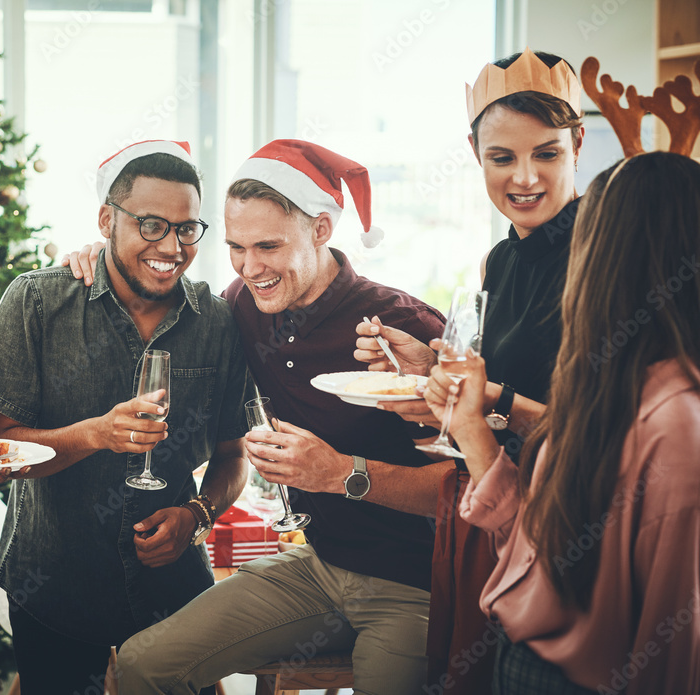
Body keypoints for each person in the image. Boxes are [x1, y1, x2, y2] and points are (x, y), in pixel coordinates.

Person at [73, 140, 447, 693]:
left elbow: (470, 489)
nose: (251, 267)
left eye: (268, 246)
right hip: (316, 568)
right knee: (140, 665)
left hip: (415, 584)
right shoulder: (245, 306)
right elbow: (157, 288)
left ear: (321, 230)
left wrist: (340, 473)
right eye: (236, 248)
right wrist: (91, 258)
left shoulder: (402, 325)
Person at [0, 140, 250, 694]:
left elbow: (234, 454)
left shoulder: (217, 323)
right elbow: (1, 452)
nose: (171, 245)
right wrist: (94, 434)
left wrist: (196, 514)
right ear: (106, 220)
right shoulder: (36, 304)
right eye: (151, 225)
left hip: (175, 592)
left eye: (186, 229)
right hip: (54, 588)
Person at [425, 151, 700, 694]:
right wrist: (470, 428)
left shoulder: (678, 424)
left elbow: (672, 652)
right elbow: (539, 543)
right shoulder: (607, 378)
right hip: (522, 662)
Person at [353, 49, 584, 692]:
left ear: (578, 144)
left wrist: (491, 403)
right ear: (475, 155)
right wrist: (430, 368)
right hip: (494, 509)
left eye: (547, 153)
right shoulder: (497, 264)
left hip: (570, 529)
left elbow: (613, 431)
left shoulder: (608, 253)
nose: (525, 177)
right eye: (501, 157)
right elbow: (491, 386)